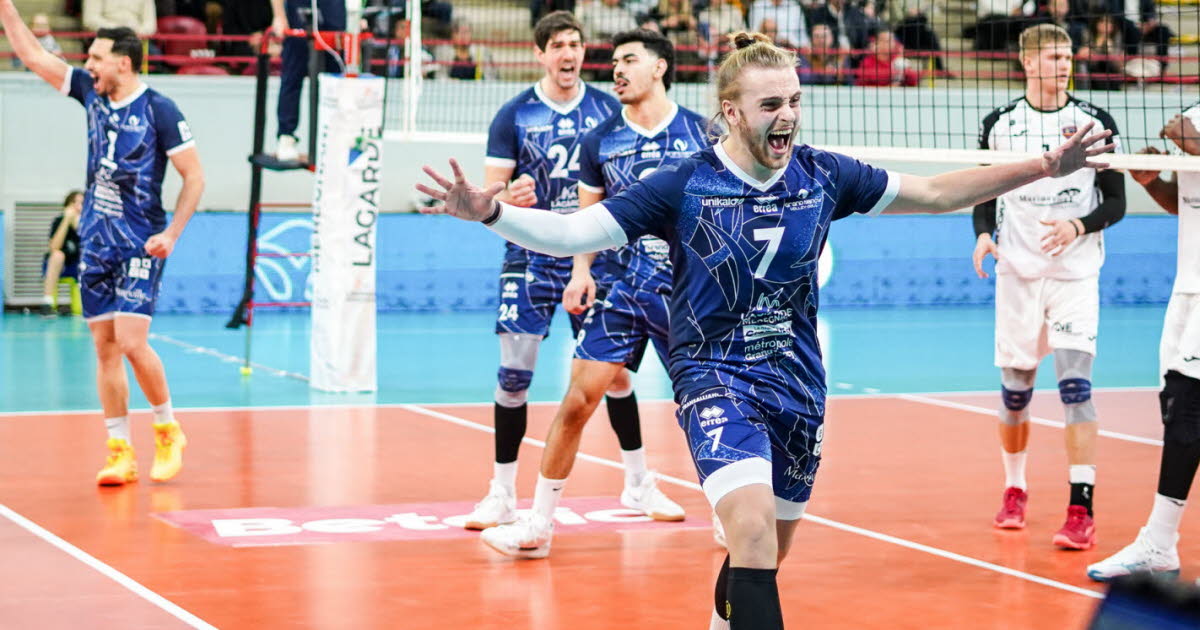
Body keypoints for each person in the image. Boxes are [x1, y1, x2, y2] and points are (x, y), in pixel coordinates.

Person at [417, 30, 1111, 630]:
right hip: (714, 374)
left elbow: (934, 194)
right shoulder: (681, 183)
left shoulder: (822, 175)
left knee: (766, 553)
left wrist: (1045, 167)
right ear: (731, 112)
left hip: (798, 382)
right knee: (747, 535)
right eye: (771, 105)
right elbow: (574, 229)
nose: (788, 117)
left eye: (795, 101)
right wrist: (491, 215)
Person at [480, 28, 707, 558]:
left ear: (660, 67)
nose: (617, 68)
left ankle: (715, 508)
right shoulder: (600, 138)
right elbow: (586, 218)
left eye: (629, 59)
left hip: (682, 292)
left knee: (702, 401)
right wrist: (582, 271)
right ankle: (536, 522)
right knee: (579, 397)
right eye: (614, 61)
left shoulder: (703, 133)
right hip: (620, 286)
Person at [0, 4, 205, 486]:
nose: (87, 64)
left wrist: (171, 233)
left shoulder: (160, 109)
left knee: (133, 343)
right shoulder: (91, 96)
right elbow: (33, 56)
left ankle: (167, 429)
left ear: (124, 63)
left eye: (96, 56)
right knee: (105, 348)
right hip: (96, 240)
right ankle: (120, 451)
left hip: (141, 242)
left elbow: (193, 177)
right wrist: (7, 9)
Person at [464, 11, 649, 532]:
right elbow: (489, 194)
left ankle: (638, 483)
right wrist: (508, 194)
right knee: (514, 376)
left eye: (576, 44)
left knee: (612, 375)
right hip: (530, 255)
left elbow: (625, 177)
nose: (569, 54)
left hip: (593, 253)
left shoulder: (608, 110)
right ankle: (502, 493)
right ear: (540, 54)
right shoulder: (514, 115)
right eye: (558, 46)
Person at [972, 23, 1125, 550]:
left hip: (1074, 272)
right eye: (1054, 56)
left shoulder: (1094, 121)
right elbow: (983, 190)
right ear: (1028, 62)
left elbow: (1116, 201)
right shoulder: (999, 124)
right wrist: (984, 235)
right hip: (1018, 271)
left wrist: (1077, 226)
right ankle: (1014, 489)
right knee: (1015, 393)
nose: (1064, 64)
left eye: (1068, 56)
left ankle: (1081, 508)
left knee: (1074, 388)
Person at [1085, 112, 1200, 581]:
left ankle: (1158, 541)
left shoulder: (1190, 124)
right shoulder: (1193, 112)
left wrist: (1190, 140)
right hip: (1188, 287)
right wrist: (1153, 183)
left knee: (1187, 407)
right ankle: (1159, 544)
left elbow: (1191, 143)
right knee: (1177, 405)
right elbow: (1182, 202)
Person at [268, 0, 346, 162]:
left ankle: (333, 137)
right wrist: (279, 16)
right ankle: (286, 137)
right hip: (299, 9)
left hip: (332, 9)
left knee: (335, 76)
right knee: (292, 75)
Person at [40, 190, 84, 317]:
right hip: (60, 266)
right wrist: (66, 221)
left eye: (81, 203)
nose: (77, 206)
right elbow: (54, 247)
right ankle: (47, 303)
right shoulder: (59, 221)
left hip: (80, 266)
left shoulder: (88, 224)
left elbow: (88, 247)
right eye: (74, 202)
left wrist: (77, 225)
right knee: (57, 255)